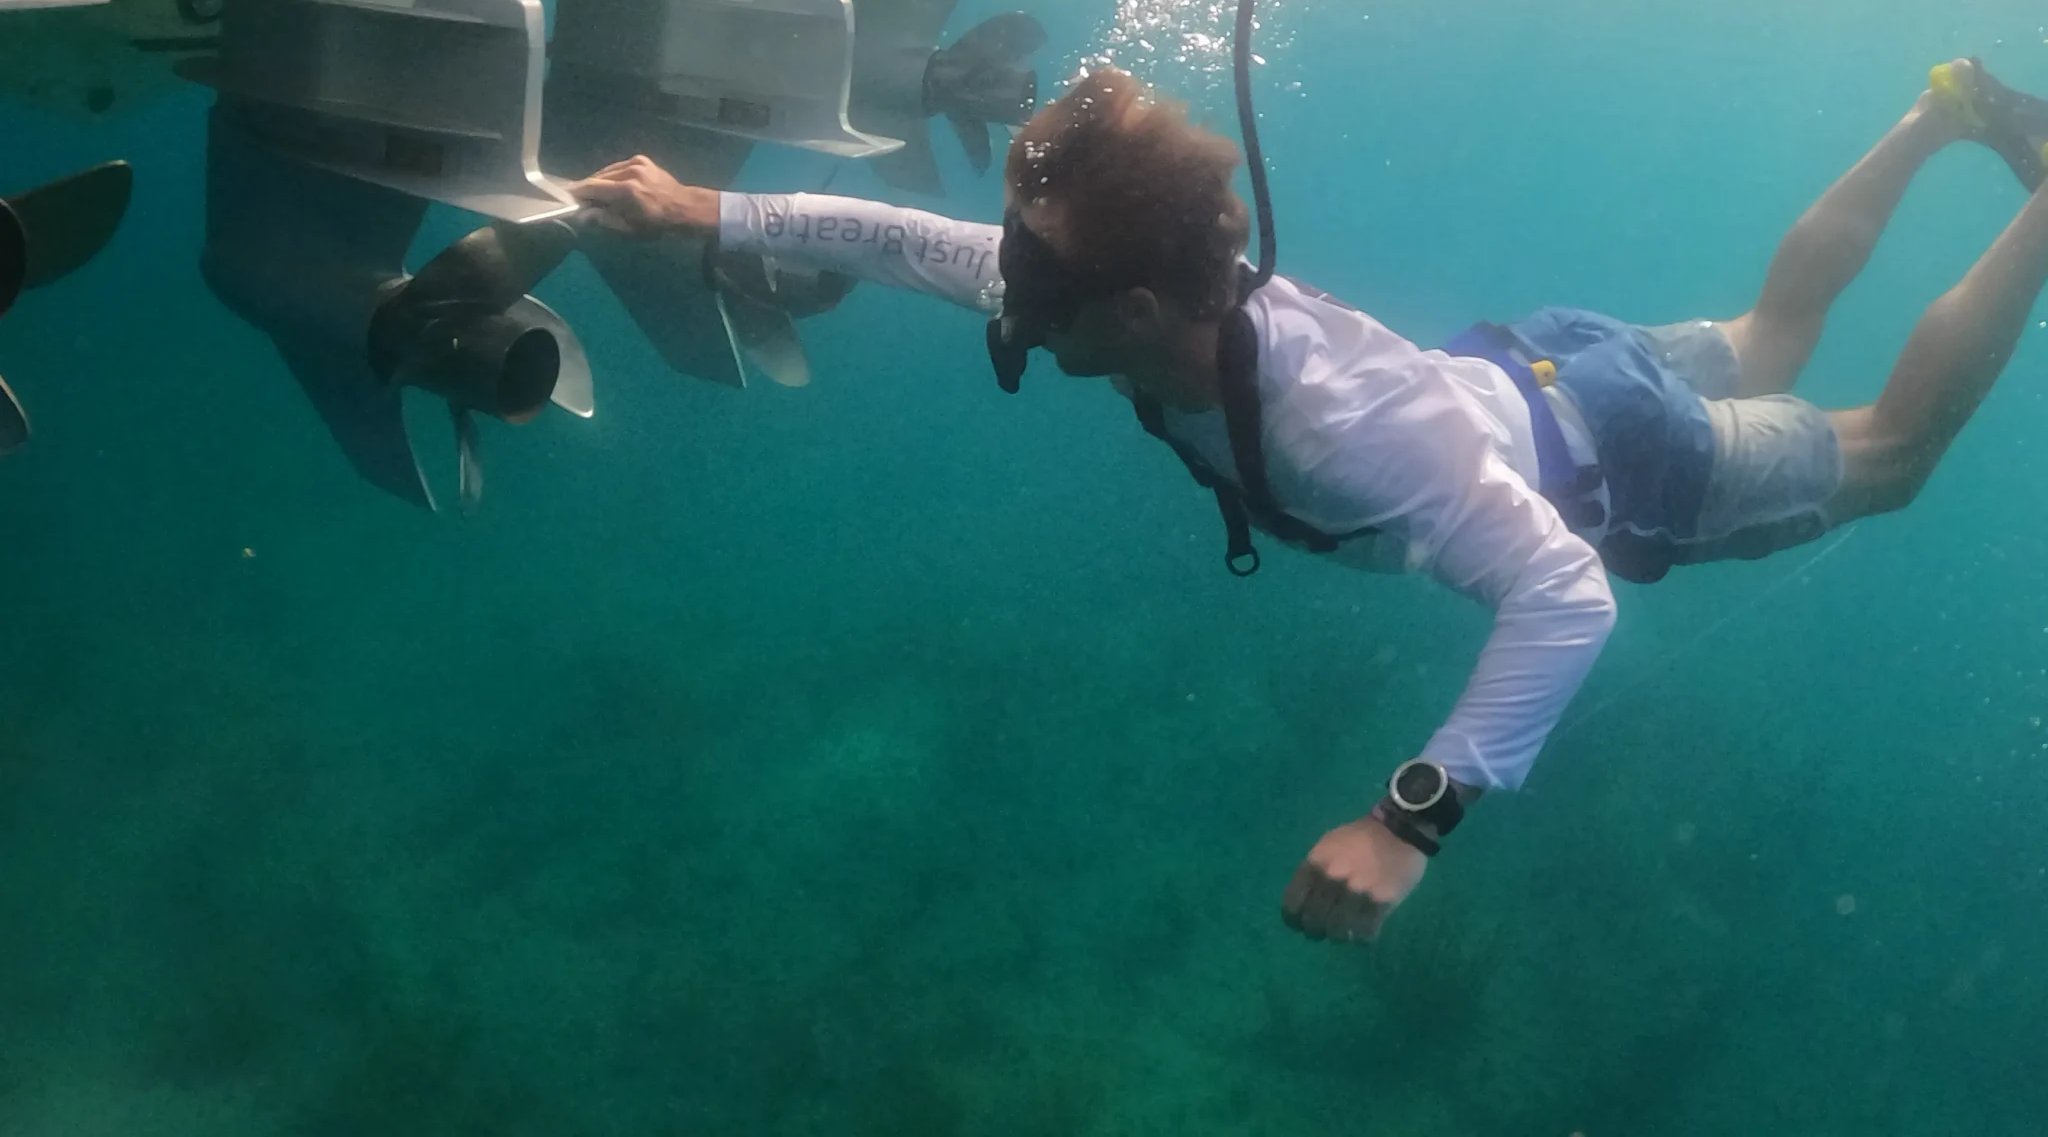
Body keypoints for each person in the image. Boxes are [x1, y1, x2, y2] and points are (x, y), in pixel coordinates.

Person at [570, 52, 2048, 945]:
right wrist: (711, 209)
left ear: (1143, 304)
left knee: (1891, 456)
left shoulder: (1339, 441)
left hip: (1604, 454)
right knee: (1776, 336)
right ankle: (1944, 111)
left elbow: (1565, 592)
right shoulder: (1123, 293)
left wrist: (1413, 822)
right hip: (1541, 377)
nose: (1005, 308)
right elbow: (909, 241)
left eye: (1035, 295)